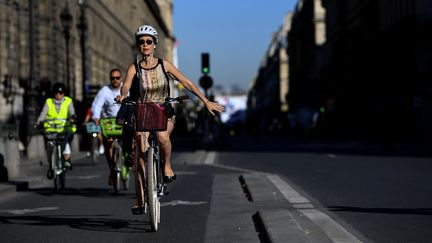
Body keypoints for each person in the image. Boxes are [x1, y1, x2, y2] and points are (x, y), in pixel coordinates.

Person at [116, 24, 225, 213]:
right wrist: (123, 95)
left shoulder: (164, 64)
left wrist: (206, 101)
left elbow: (186, 82)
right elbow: (125, 85)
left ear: (155, 44)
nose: (145, 45)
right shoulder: (134, 67)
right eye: (141, 42)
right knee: (140, 156)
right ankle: (141, 200)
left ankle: (166, 166)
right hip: (142, 109)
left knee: (162, 137)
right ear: (138, 45)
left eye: (149, 41)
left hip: (163, 109)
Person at [91, 68, 126, 189]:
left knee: (132, 143)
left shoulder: (126, 89)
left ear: (121, 78)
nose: (115, 80)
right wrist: (96, 116)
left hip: (124, 121)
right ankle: (112, 168)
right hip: (109, 123)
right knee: (109, 145)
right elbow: (97, 105)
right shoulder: (104, 91)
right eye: (112, 78)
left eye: (117, 78)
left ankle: (129, 159)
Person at [36, 82, 76, 179]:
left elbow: (72, 112)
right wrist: (39, 121)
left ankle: (66, 159)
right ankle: (51, 165)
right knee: (49, 146)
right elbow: (43, 113)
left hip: (65, 128)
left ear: (64, 94)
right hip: (51, 129)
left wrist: (72, 118)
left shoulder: (68, 101)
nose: (58, 95)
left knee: (65, 141)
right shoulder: (49, 102)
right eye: (56, 93)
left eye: (61, 93)